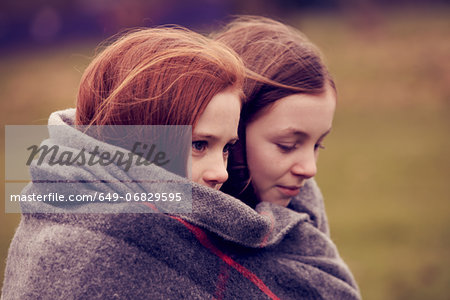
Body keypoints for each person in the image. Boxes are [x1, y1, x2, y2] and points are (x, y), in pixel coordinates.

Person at [215, 16, 361, 298]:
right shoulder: (152, 210)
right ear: (232, 133)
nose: (310, 169)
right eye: (288, 145)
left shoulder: (304, 217)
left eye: (319, 145)